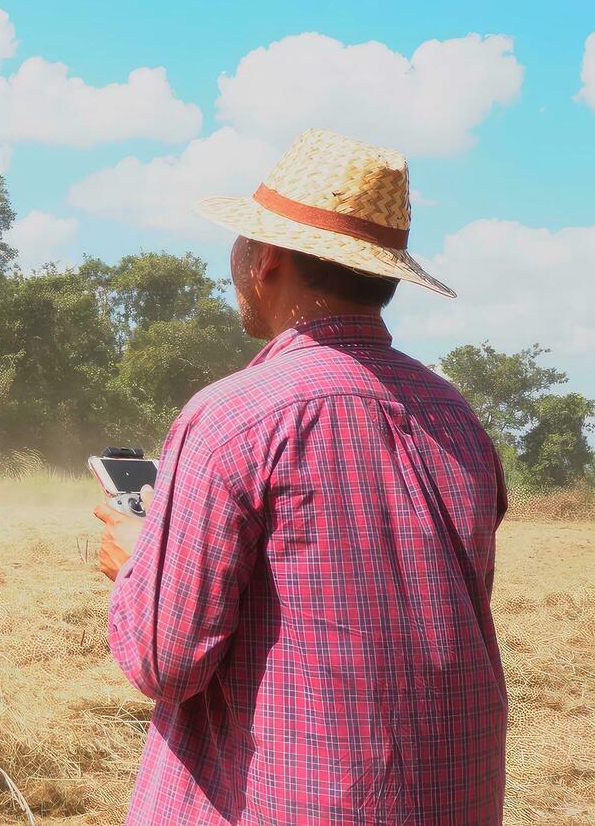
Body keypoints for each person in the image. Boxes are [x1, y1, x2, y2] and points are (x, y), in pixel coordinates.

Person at [93, 128, 508, 824]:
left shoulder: (234, 417)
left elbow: (166, 662)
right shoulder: (456, 416)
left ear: (268, 260)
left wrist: (137, 564)